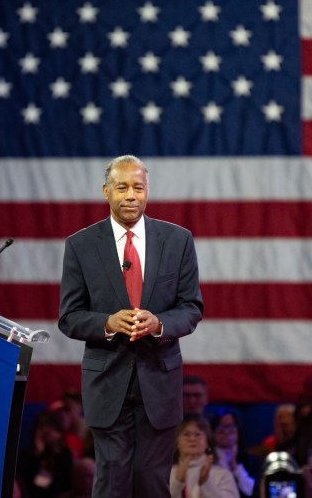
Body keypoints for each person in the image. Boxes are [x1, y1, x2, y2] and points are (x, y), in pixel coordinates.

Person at [58, 154, 205, 498]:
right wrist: (107, 322)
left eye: (138, 187)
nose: (130, 195)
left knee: (151, 480)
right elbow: (69, 317)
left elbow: (191, 308)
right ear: (106, 191)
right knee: (112, 480)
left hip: (160, 379)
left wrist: (159, 323)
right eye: (122, 187)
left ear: (147, 191)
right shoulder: (80, 246)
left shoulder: (178, 240)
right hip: (107, 382)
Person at [169, 416, 238, 498]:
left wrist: (206, 483)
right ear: (176, 442)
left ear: (207, 441)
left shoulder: (222, 475)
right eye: (186, 434)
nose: (192, 439)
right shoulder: (166, 475)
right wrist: (177, 483)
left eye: (198, 434)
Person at [17, 411, 74, 498]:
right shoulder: (27, 455)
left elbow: (66, 484)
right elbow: (34, 486)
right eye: (42, 429)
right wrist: (38, 454)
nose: (48, 434)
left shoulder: (63, 454)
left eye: (51, 428)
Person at [209, 411, 258, 498]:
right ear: (213, 432)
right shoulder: (207, 458)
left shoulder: (249, 459)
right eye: (221, 427)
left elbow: (251, 491)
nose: (226, 432)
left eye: (231, 427)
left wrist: (234, 466)